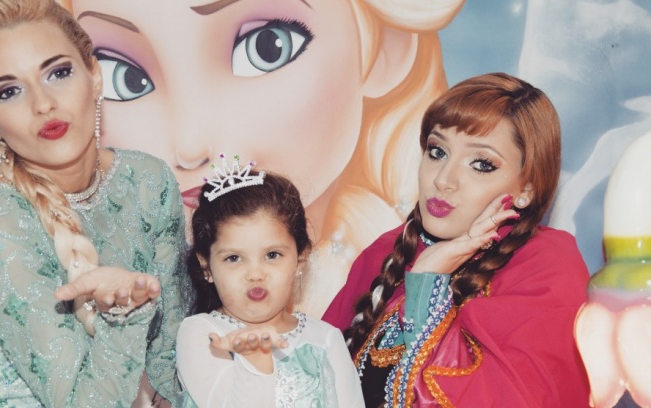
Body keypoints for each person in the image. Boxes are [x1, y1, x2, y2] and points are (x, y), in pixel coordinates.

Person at [58, 0, 465, 317]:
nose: (190, 146)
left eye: (265, 47)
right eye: (125, 78)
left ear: (385, 49)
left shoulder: (402, 277)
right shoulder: (110, 283)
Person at [0, 0, 188, 406]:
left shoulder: (148, 181)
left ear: (94, 75)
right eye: (9, 91)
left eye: (58, 72)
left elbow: (170, 362)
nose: (42, 104)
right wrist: (126, 313)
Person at [323, 73, 592, 407]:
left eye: (481, 164)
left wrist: (427, 281)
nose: (444, 180)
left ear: (527, 188)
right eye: (437, 151)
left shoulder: (546, 270)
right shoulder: (387, 251)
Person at [176, 157, 364, 407]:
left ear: (300, 259)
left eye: (272, 255)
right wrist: (255, 359)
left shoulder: (326, 338)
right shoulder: (202, 334)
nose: (255, 273)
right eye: (234, 258)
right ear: (206, 267)